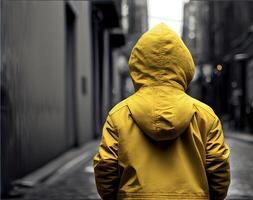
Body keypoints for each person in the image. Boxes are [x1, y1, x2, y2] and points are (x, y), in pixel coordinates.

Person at [94, 23, 230, 200]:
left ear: (138, 65)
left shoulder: (119, 115)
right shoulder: (205, 115)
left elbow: (105, 167)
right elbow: (219, 168)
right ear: (184, 66)